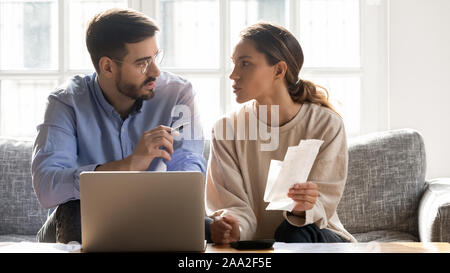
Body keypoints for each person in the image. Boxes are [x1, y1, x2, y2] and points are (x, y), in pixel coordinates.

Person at [32, 8, 211, 243]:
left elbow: (188, 167)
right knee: (74, 208)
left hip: (152, 213)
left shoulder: (177, 94)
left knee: (205, 222)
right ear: (107, 67)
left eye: (155, 57)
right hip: (78, 221)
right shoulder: (67, 101)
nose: (156, 71)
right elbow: (47, 186)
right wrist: (127, 166)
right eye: (143, 63)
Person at [206, 22, 357, 244]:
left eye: (245, 64)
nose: (233, 75)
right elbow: (232, 204)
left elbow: (323, 202)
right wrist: (232, 227)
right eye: (234, 64)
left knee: (293, 233)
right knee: (201, 227)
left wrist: (303, 208)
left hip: (314, 236)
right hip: (256, 244)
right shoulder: (225, 129)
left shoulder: (326, 124)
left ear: (278, 70)